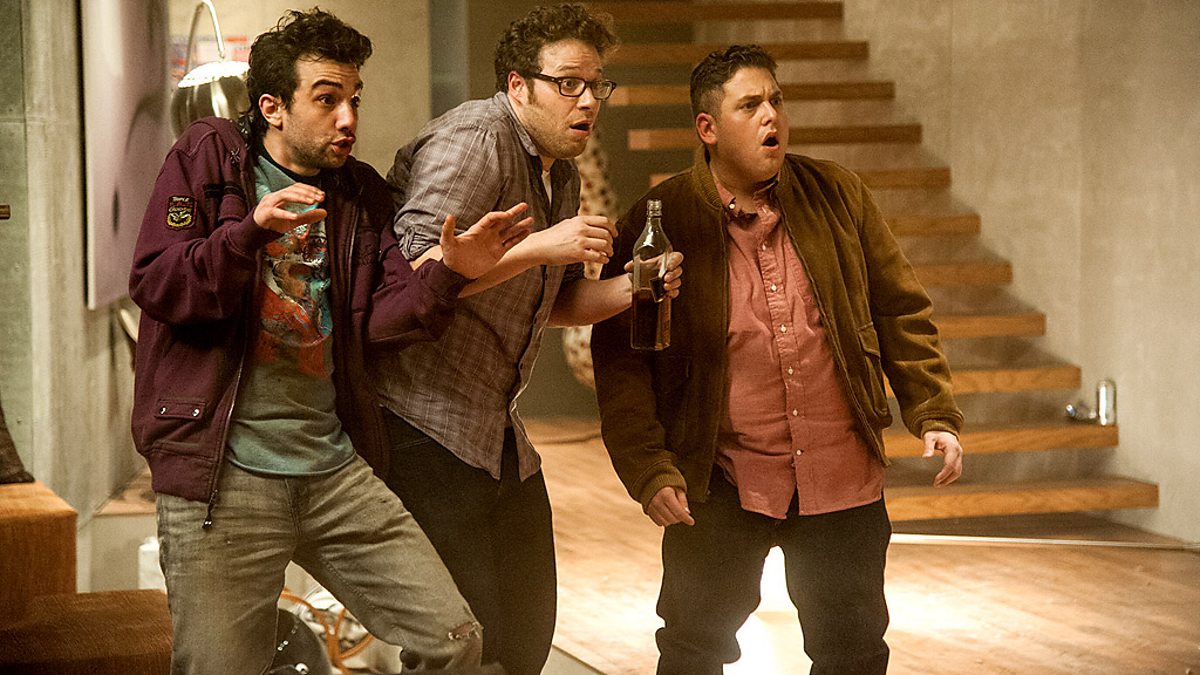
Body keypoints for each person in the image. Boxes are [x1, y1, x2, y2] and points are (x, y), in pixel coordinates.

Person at [128, 9, 528, 674]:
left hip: (331, 468)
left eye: (354, 99)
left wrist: (452, 272)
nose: (347, 118)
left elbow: (382, 320)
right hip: (224, 476)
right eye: (326, 99)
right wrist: (248, 234)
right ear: (272, 108)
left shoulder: (359, 192)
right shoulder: (208, 156)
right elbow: (157, 281)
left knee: (452, 638)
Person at [590, 45, 966, 675]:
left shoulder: (838, 194)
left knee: (853, 652)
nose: (771, 116)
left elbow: (901, 309)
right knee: (692, 648)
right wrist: (648, 467)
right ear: (708, 128)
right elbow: (621, 363)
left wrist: (933, 411)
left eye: (776, 100)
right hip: (721, 479)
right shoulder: (663, 218)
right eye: (750, 105)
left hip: (840, 474)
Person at [376, 4, 681, 673]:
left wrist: (635, 287)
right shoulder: (474, 141)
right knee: (462, 644)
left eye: (596, 85)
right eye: (568, 83)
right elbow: (409, 282)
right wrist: (541, 246)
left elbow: (557, 302)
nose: (588, 101)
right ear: (518, 85)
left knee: (525, 636)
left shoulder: (559, 169)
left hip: (495, 431)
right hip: (422, 426)